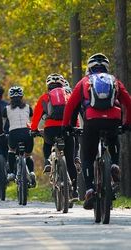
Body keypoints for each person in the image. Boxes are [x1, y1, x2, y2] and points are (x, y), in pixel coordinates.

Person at [62, 53, 131, 209]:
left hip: (92, 121)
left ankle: (90, 190)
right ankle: (114, 164)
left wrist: (66, 126)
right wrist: (127, 123)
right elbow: (128, 102)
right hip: (113, 119)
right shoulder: (115, 81)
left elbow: (70, 106)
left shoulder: (84, 82)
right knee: (113, 139)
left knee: (87, 157)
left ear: (89, 68)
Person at [31, 73, 78, 197]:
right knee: (70, 161)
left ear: (48, 85)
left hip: (50, 129)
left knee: (47, 144)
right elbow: (74, 113)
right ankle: (74, 190)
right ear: (63, 84)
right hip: (66, 128)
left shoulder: (45, 97)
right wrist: (75, 126)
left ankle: (47, 161)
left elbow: (36, 116)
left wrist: (33, 129)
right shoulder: (68, 95)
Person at [3, 86, 36, 186]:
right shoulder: (28, 107)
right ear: (22, 97)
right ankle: (31, 172)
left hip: (14, 134)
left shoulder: (6, 109)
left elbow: (4, 125)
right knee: (28, 155)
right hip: (27, 133)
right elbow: (31, 119)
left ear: (10, 97)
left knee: (11, 151)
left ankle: (11, 174)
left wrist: (4, 133)